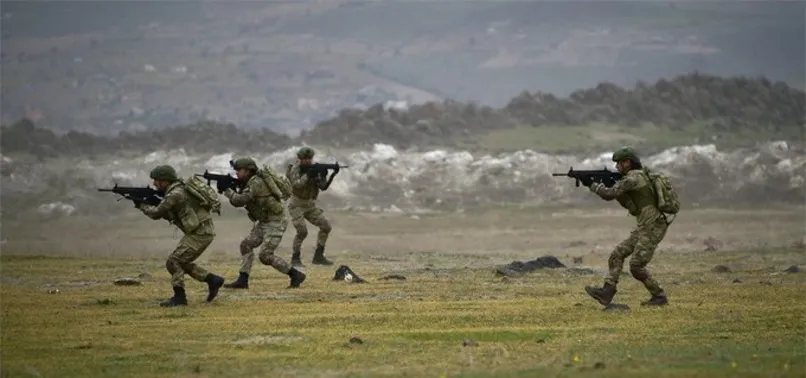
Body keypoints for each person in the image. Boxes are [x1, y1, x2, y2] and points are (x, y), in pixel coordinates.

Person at [583, 147, 669, 307]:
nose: (616, 167)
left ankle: (659, 296)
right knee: (617, 255)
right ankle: (607, 292)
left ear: (627, 162)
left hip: (653, 226)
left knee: (636, 265)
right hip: (645, 226)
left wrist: (592, 185)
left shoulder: (633, 178)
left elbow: (609, 194)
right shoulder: (637, 176)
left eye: (619, 163)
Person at [137, 165, 225, 307]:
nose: (154, 183)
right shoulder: (177, 190)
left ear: (165, 181)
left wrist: (141, 205)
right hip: (201, 232)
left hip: (200, 233)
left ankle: (180, 298)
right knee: (181, 262)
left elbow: (156, 214)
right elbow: (170, 213)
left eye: (156, 180)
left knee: (173, 261)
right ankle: (212, 280)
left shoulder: (175, 194)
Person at [219, 157, 306, 289]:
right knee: (246, 245)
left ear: (248, 170)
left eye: (239, 170)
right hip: (265, 221)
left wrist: (227, 190)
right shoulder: (250, 182)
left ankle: (295, 274)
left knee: (265, 255)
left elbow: (240, 200)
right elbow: (239, 201)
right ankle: (243, 280)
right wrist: (230, 188)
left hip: (276, 221)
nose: (236, 173)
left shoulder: (256, 183)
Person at [286, 146, 334, 266]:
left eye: (309, 158)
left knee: (326, 227)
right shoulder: (294, 170)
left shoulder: (314, 169)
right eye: (304, 158)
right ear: (299, 159)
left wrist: (326, 175)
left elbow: (323, 187)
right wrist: (308, 175)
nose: (307, 161)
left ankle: (319, 256)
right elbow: (296, 185)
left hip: (310, 205)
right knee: (302, 231)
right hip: (296, 205)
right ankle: (295, 258)